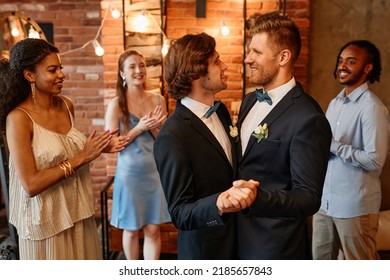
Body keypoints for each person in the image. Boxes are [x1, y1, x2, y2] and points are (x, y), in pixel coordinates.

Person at [0, 38, 129, 260]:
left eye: (61, 67)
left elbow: (63, 148)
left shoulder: (66, 105)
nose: (61, 74)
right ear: (29, 75)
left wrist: (101, 148)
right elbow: (30, 184)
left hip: (77, 210)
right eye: (52, 70)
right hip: (46, 221)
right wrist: (83, 157)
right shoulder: (19, 119)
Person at [235, 12, 332, 259]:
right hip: (235, 238)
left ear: (283, 57)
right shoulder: (248, 101)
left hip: (274, 247)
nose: (247, 59)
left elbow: (308, 198)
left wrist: (256, 198)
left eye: (256, 52)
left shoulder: (308, 118)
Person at [154, 32, 258, 260]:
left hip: (240, 242)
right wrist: (218, 203)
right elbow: (180, 213)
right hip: (205, 252)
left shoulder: (220, 111)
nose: (224, 66)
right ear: (195, 72)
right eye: (216, 61)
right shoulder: (172, 136)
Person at [312, 40, 389, 260]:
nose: (342, 66)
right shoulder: (335, 103)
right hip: (325, 203)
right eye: (341, 60)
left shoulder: (371, 108)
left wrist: (333, 145)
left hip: (355, 206)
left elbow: (375, 160)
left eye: (351, 62)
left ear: (368, 68)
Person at [104, 49, 171, 260]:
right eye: (132, 67)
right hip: (130, 175)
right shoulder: (116, 105)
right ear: (122, 73)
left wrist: (154, 128)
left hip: (154, 172)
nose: (138, 70)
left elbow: (167, 142)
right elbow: (112, 145)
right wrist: (139, 128)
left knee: (153, 229)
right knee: (131, 229)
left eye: (141, 65)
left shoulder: (158, 100)